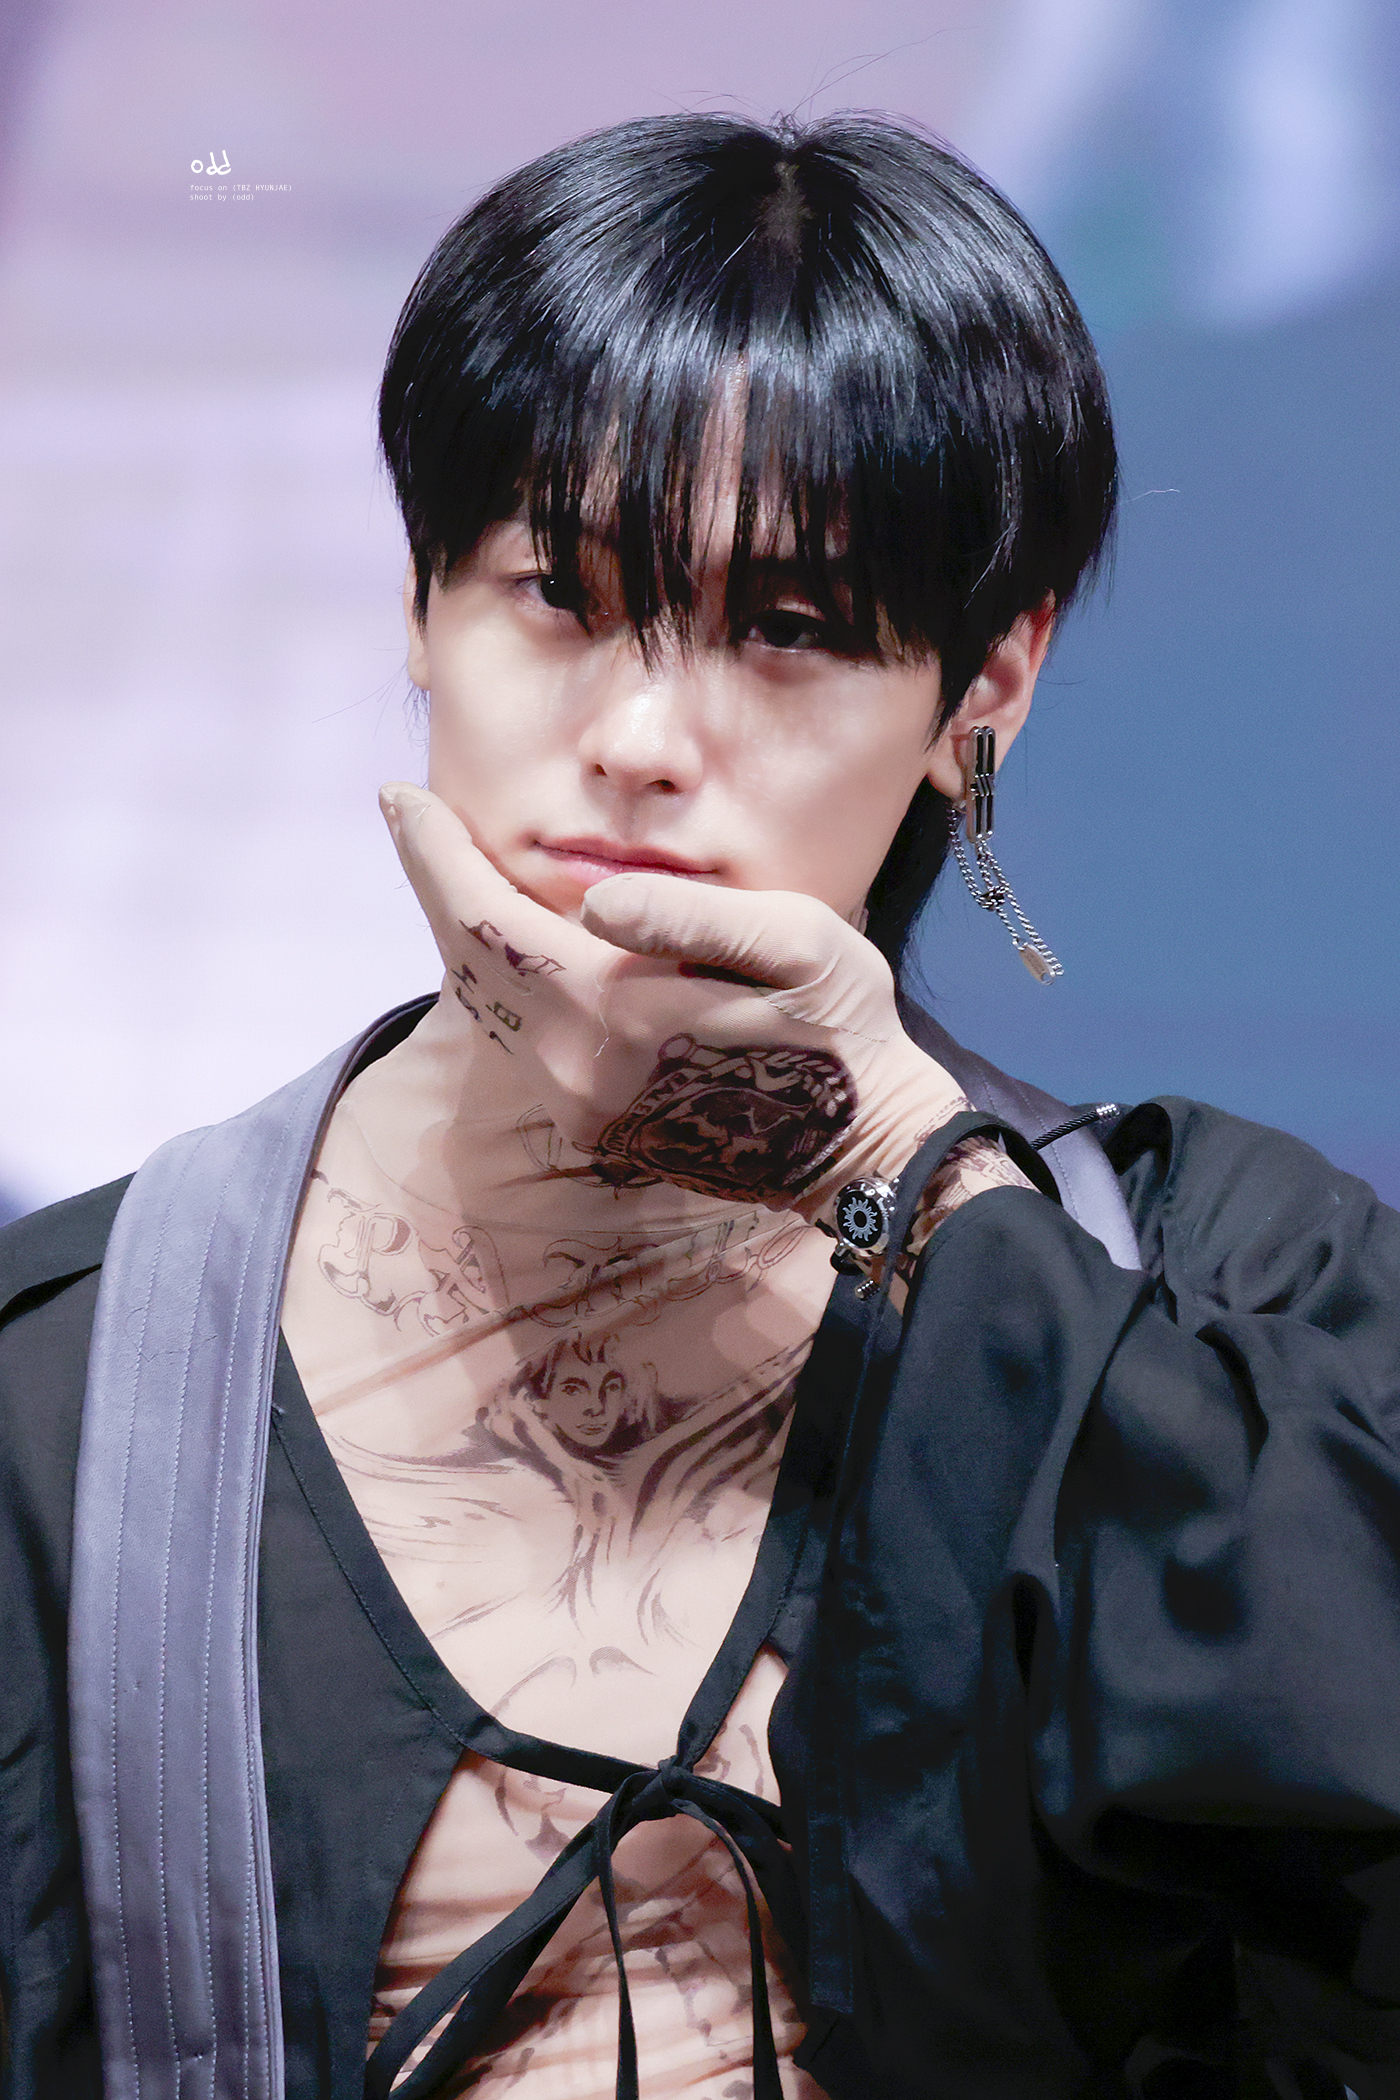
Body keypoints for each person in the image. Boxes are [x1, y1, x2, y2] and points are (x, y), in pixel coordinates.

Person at [2, 110, 1399, 2100]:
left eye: (789, 628)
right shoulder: (73, 1375)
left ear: (988, 681)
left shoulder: (1229, 1289)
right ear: (421, 599)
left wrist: (899, 1170)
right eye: (557, 593)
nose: (642, 738)